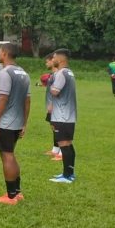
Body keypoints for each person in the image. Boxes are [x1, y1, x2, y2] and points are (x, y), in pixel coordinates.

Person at [0, 43, 31, 205]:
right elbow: (27, 101)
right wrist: (24, 123)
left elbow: (4, 98)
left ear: (5, 53)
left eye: (0, 51)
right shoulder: (24, 73)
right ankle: (17, 192)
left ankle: (11, 196)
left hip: (6, 123)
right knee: (11, 155)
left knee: (7, 156)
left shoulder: (6, 72)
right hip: (17, 122)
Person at [49, 49, 78, 183]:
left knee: (63, 144)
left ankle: (66, 176)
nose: (52, 59)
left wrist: (48, 84)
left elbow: (55, 92)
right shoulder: (70, 72)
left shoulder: (60, 73)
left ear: (60, 60)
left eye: (54, 57)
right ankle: (70, 173)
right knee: (68, 144)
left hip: (62, 114)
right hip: (70, 115)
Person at [42, 54, 61, 159]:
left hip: (55, 106)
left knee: (58, 127)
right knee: (53, 127)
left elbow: (58, 92)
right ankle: (55, 149)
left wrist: (52, 105)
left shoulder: (58, 75)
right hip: (51, 105)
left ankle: (62, 152)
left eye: (47, 61)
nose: (46, 63)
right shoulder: (53, 75)